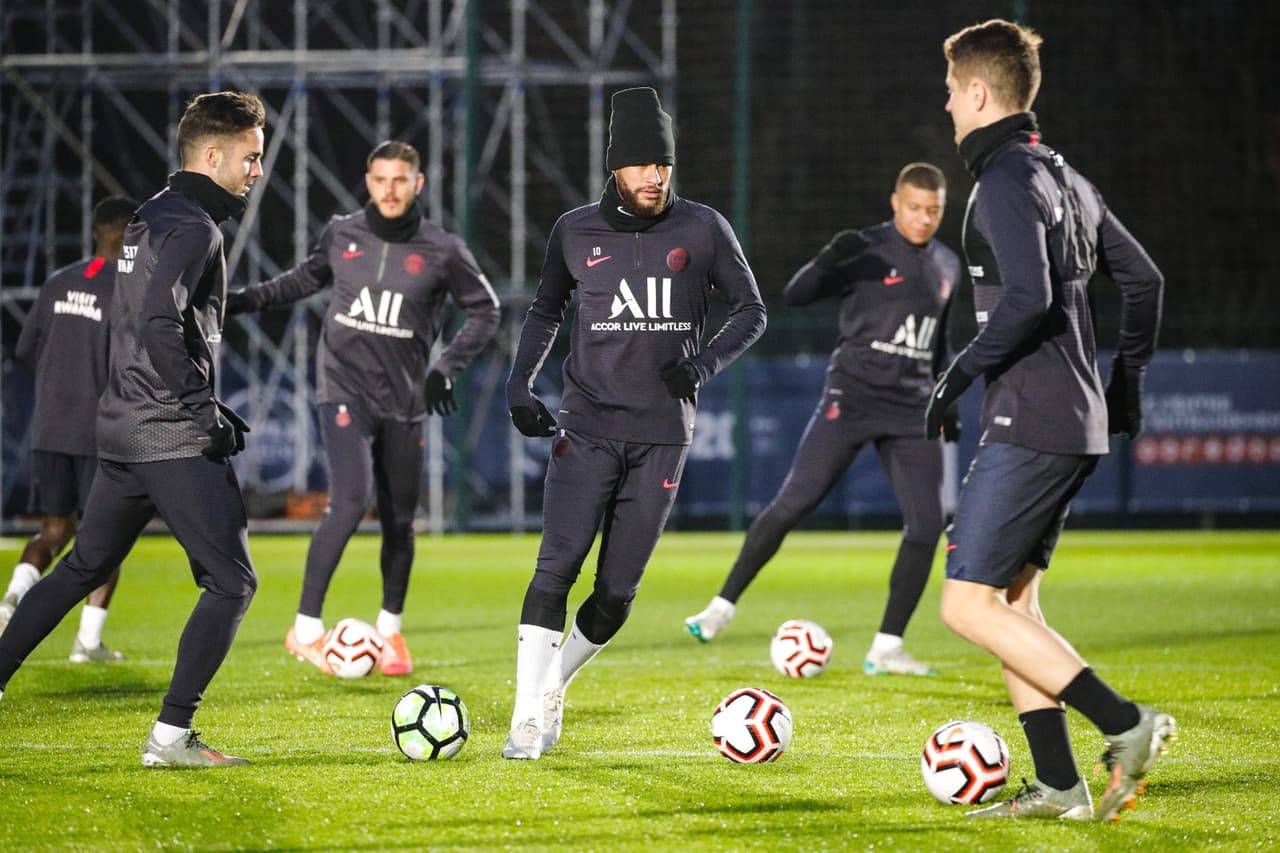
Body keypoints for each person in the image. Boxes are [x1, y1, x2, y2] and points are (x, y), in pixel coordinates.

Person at [927, 20, 1172, 821]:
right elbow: (1145, 282)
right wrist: (1125, 384)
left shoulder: (1002, 176)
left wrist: (958, 373)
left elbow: (1028, 300)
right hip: (1075, 418)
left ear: (978, 93)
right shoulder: (1065, 176)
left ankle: (1126, 721)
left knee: (965, 604)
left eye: (952, 92)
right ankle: (1061, 784)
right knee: (1013, 606)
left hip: (1030, 418)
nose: (948, 107)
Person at [0, 91, 265, 767]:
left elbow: (147, 319)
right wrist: (201, 411)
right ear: (213, 155)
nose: (256, 170)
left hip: (119, 425)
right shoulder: (197, 229)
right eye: (250, 156)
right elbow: (155, 322)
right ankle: (171, 735)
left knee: (84, 564)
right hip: (167, 431)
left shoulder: (152, 213)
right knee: (231, 582)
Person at [501, 87, 767, 760]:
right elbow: (544, 310)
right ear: (614, 167)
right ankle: (525, 717)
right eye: (642, 164)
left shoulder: (703, 228)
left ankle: (552, 684)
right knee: (555, 568)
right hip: (584, 424)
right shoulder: (574, 230)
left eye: (664, 164)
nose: (655, 176)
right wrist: (519, 381)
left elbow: (752, 310)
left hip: (661, 437)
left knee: (616, 595)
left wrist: (703, 365)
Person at [228, 140, 500, 677]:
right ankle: (305, 628)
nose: (390, 190)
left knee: (400, 521)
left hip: (404, 402)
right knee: (350, 500)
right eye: (380, 180)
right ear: (368, 182)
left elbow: (485, 311)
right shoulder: (342, 233)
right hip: (343, 390)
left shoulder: (443, 249)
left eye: (401, 180)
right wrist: (238, 298)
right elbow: (299, 281)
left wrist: (446, 368)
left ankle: (391, 633)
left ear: (418, 183)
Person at [684, 163, 961, 676]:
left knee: (926, 525)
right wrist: (827, 258)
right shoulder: (866, 248)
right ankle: (720, 609)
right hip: (851, 397)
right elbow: (796, 294)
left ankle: (886, 647)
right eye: (915, 208)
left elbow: (940, 341)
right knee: (794, 502)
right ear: (895, 203)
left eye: (934, 210)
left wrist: (951, 400)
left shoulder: (948, 263)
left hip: (912, 407)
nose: (924, 219)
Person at [1, 196, 137, 662]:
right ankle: (88, 642)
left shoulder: (58, 281)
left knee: (53, 529)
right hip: (100, 433)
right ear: (132, 232)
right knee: (106, 539)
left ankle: (13, 596)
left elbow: (24, 351)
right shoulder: (127, 289)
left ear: (96, 231)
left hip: (48, 427)